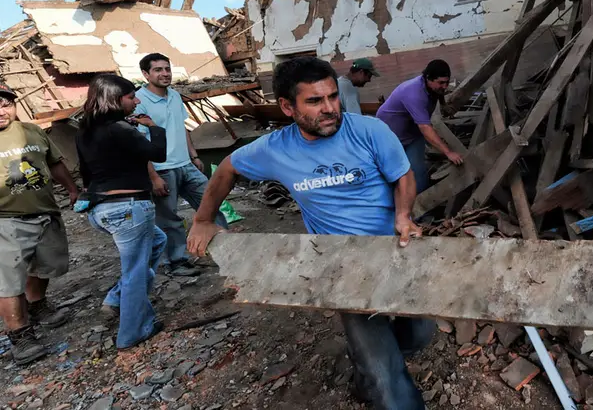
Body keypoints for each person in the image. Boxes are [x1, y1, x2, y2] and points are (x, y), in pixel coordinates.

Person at [187, 57, 430, 410]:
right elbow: (226, 168)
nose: (330, 108)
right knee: (387, 376)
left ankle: (368, 368)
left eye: (332, 96)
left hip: (396, 250)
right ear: (288, 107)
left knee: (419, 333)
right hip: (341, 265)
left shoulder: (370, 131)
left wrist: (404, 216)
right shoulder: (276, 149)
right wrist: (202, 219)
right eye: (315, 101)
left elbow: (403, 175)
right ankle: (378, 370)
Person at [75, 74, 168, 349]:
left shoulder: (84, 131)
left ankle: (116, 298)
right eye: (131, 97)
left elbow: (85, 173)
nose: (136, 101)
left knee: (158, 240)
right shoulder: (119, 129)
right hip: (129, 208)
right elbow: (158, 154)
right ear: (115, 100)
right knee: (135, 273)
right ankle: (133, 332)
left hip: (101, 209)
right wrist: (154, 127)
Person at [0, 82, 79, 365]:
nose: (1, 111)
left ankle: (37, 305)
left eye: (6, 104)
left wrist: (72, 188)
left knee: (46, 265)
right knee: (8, 282)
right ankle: (19, 335)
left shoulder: (32, 130)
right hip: (5, 219)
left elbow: (54, 162)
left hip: (46, 211)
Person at [134, 53, 227, 278]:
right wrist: (153, 177)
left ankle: (227, 249)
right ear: (146, 74)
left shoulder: (174, 95)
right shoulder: (138, 101)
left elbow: (181, 127)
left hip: (186, 164)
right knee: (170, 220)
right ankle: (176, 262)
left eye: (167, 69)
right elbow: (139, 143)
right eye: (158, 70)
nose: (165, 73)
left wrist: (194, 156)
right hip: (162, 169)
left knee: (211, 204)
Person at [376, 59, 462, 192]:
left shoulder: (433, 87)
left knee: (418, 171)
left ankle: (422, 202)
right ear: (428, 78)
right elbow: (425, 127)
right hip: (389, 135)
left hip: (412, 133)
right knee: (392, 173)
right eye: (441, 83)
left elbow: (439, 92)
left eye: (447, 82)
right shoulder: (414, 94)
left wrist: (443, 104)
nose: (445, 86)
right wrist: (448, 152)